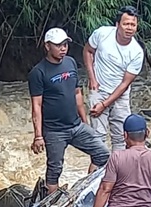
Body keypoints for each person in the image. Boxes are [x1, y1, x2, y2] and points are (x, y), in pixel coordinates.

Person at [28, 27, 110, 195]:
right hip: (54, 131)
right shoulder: (38, 72)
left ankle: (89, 191)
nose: (63, 48)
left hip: (76, 125)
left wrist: (84, 121)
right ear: (47, 46)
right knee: (54, 170)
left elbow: (77, 93)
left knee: (103, 154)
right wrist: (38, 136)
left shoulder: (71, 62)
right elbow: (36, 105)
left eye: (65, 44)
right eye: (58, 45)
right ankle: (51, 206)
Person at [84, 6, 145, 151]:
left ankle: (117, 170)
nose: (129, 28)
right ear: (117, 25)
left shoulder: (136, 52)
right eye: (126, 24)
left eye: (133, 25)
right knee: (98, 138)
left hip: (120, 95)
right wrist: (92, 78)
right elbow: (87, 50)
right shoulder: (102, 34)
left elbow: (125, 84)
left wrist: (104, 105)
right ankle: (98, 171)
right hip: (99, 90)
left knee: (122, 138)